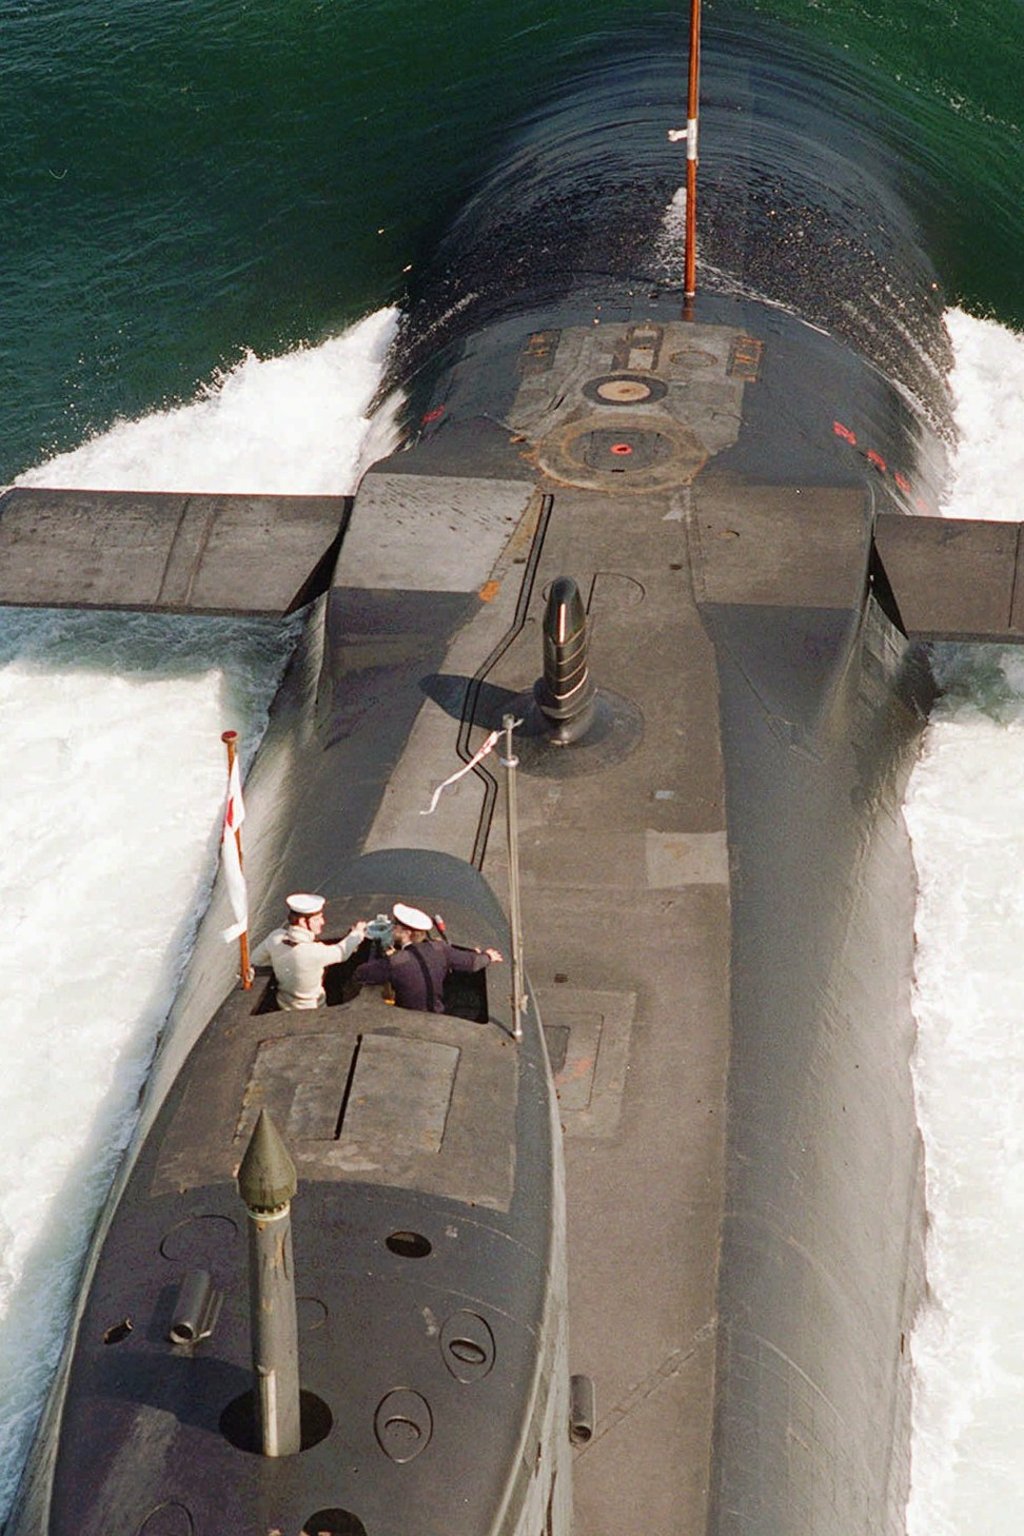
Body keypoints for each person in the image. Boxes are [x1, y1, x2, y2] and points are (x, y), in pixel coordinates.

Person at [353, 901, 503, 1014]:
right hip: (437, 1012)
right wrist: (488, 956)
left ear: (407, 932)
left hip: (406, 1016)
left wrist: (380, 955)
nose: (392, 927)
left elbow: (362, 974)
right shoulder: (441, 949)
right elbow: (473, 963)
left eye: (396, 925)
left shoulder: (396, 962)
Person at [251, 893, 367, 1010]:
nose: (322, 922)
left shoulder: (275, 937)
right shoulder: (314, 952)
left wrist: (281, 962)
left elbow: (255, 961)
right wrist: (358, 932)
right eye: (317, 919)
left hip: (284, 1006)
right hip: (315, 1010)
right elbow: (342, 952)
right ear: (302, 922)